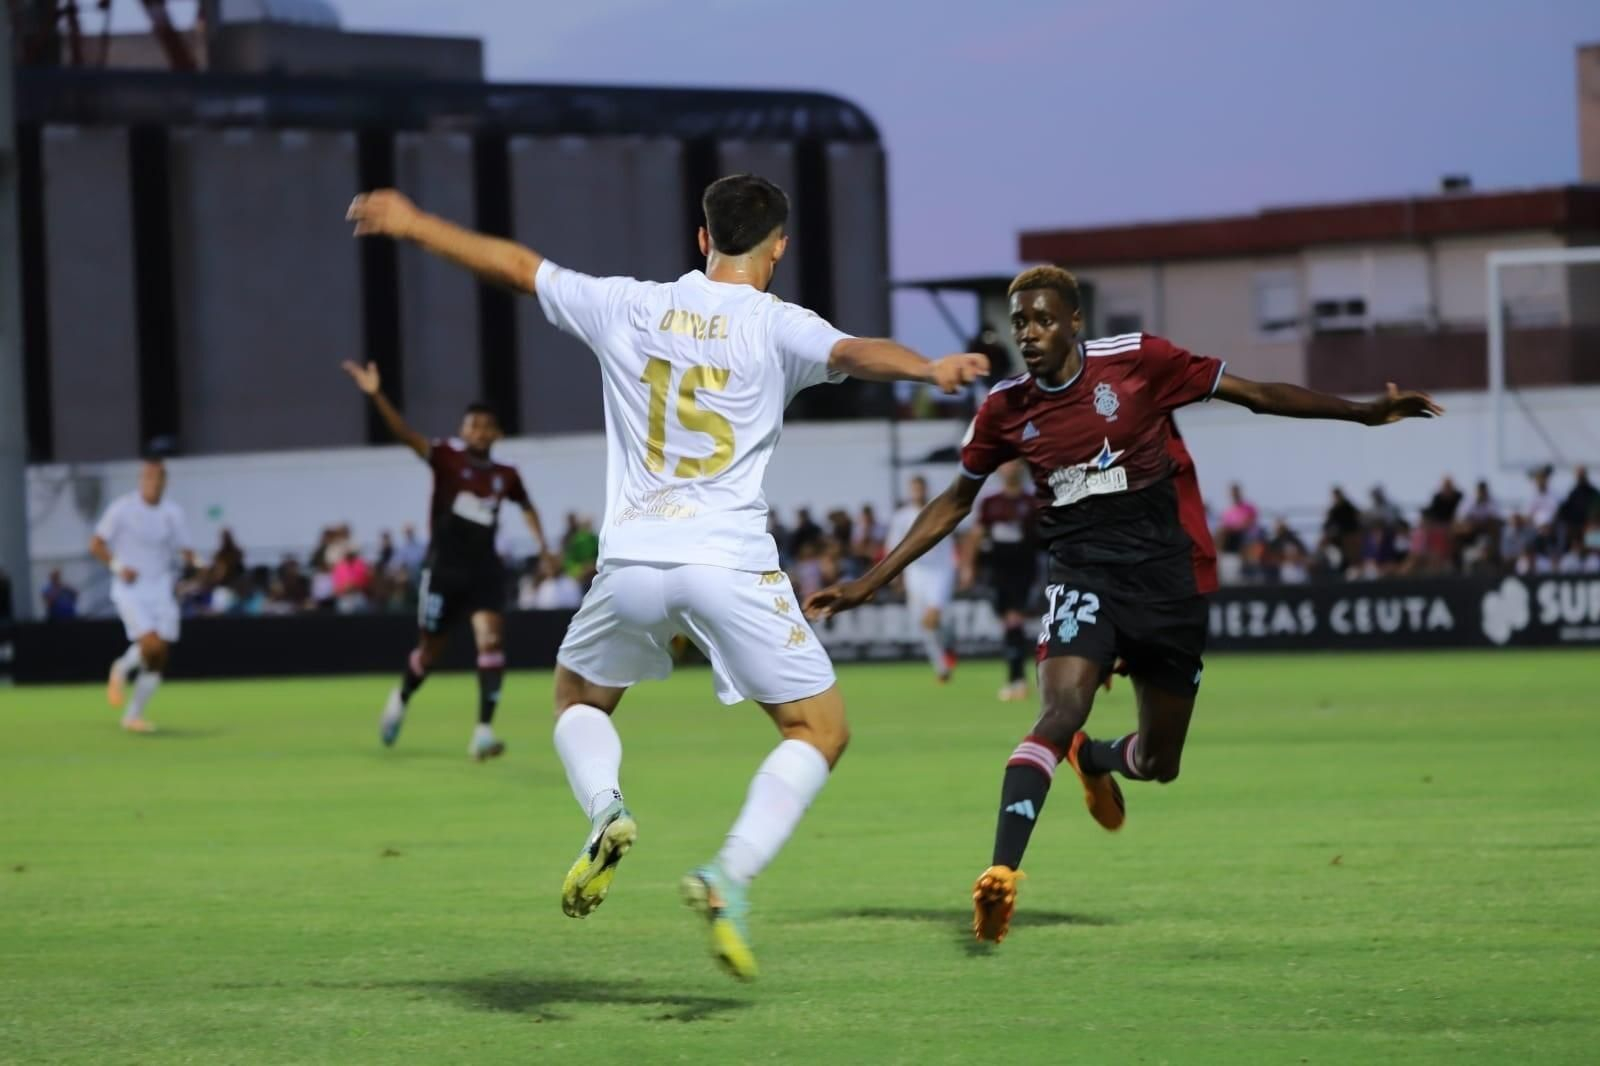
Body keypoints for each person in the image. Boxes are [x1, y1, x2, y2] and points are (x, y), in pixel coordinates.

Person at [348, 173, 986, 978]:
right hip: (729, 563)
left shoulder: (627, 304)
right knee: (818, 730)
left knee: (579, 698)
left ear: (701, 238)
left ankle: (605, 807)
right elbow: (855, 354)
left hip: (634, 560)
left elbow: (517, 267)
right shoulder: (777, 323)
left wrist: (413, 223)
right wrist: (930, 369)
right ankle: (729, 875)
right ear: (778, 246)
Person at [805, 266, 1441, 944]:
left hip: (1168, 580)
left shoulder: (1139, 363)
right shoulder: (1004, 409)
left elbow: (1255, 395)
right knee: (1059, 708)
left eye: (1043, 319)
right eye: (1020, 321)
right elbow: (955, 501)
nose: (1029, 332)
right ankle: (1001, 875)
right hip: (1082, 575)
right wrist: (870, 580)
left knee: (1159, 763)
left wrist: (1363, 411)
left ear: (1075, 322)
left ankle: (1099, 758)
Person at [342, 361, 548, 761]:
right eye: (473, 425)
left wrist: (544, 545)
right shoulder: (446, 458)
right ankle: (401, 699)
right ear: (462, 430)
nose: (480, 431)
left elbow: (527, 506)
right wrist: (375, 394)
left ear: (498, 434)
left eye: (487, 426)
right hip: (443, 572)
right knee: (429, 653)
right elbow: (404, 435)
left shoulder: (507, 474)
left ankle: (483, 732)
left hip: (484, 572)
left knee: (491, 640)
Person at [88, 457, 196, 733]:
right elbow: (96, 544)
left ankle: (132, 710)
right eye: (148, 478)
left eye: (158, 478)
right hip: (131, 590)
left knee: (159, 656)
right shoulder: (123, 508)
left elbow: (187, 551)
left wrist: (203, 564)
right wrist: (118, 567)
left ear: (164, 482)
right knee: (151, 645)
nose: (153, 483)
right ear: (141, 480)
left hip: (161, 588)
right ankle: (123, 670)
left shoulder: (173, 513)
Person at [973, 461, 1039, 700]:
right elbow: (977, 535)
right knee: (1009, 623)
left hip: (1024, 569)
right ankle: (1017, 678)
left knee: (1015, 620)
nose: (1009, 468)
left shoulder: (1032, 503)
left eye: (1013, 464)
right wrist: (968, 568)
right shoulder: (990, 503)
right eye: (1005, 464)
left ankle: (1017, 679)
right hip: (997, 571)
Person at [888, 475, 960, 683]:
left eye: (920, 488)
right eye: (914, 488)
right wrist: (896, 575)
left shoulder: (939, 509)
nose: (917, 492)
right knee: (925, 624)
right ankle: (941, 666)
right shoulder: (902, 517)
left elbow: (954, 537)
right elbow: (895, 547)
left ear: (926, 489)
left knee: (936, 617)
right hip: (916, 572)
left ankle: (948, 644)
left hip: (941, 569)